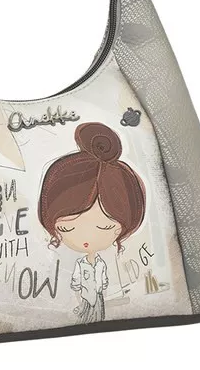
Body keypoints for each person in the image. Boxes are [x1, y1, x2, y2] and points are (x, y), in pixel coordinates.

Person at [38, 122, 146, 323]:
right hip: (85, 293)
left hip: (96, 294)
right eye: (66, 228)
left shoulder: (99, 265)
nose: (86, 238)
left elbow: (102, 280)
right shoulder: (80, 264)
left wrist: (101, 286)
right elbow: (77, 280)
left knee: (96, 309)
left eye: (105, 226)